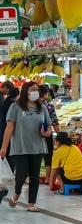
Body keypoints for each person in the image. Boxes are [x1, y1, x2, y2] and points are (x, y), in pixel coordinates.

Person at [0, 81, 53, 211]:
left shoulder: (42, 108)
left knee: (34, 176)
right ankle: (16, 194)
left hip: (38, 147)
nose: (35, 91)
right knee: (21, 175)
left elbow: (49, 126)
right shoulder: (16, 107)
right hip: (20, 147)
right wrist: (4, 147)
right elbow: (9, 128)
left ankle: (31, 204)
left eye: (37, 89)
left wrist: (47, 132)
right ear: (25, 91)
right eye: (32, 89)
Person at [37, 85, 60, 185]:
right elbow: (54, 121)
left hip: (34, 134)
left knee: (35, 155)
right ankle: (47, 178)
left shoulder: (32, 105)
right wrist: (59, 134)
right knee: (48, 155)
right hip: (47, 133)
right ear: (46, 94)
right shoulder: (49, 106)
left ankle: (33, 177)